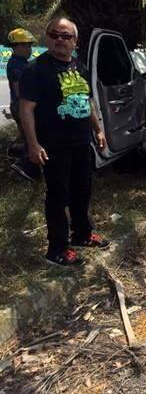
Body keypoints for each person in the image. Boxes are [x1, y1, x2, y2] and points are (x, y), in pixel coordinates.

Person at [19, 17, 109, 267]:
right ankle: (57, 249)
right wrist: (33, 144)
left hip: (81, 142)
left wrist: (98, 130)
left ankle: (82, 234)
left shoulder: (79, 67)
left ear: (75, 42)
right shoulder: (35, 70)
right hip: (54, 145)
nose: (60, 39)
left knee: (82, 189)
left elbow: (87, 101)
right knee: (58, 195)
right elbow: (26, 109)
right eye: (54, 34)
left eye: (66, 36)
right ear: (47, 38)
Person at [6, 28, 41, 181]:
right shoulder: (17, 65)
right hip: (22, 106)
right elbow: (21, 91)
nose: (29, 48)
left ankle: (23, 161)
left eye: (30, 45)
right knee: (35, 135)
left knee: (29, 136)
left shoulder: (21, 62)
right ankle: (25, 165)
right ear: (16, 47)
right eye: (25, 45)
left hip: (20, 106)